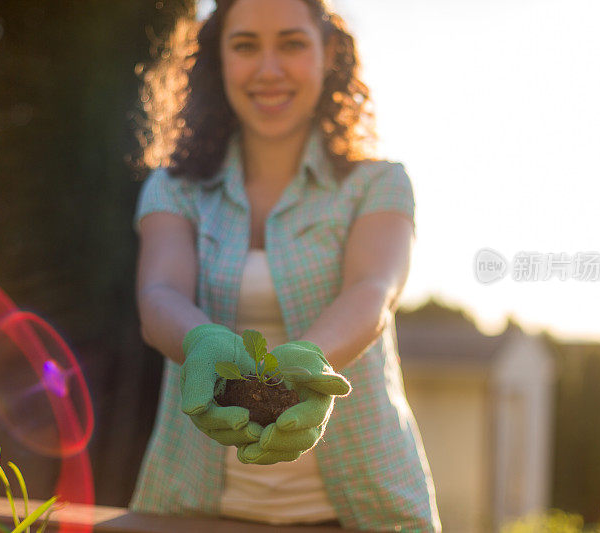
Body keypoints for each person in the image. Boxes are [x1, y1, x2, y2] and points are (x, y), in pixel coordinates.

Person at [130, 0, 442, 531]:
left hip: (366, 507)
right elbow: (159, 294)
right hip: (193, 504)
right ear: (217, 59)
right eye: (246, 45)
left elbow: (373, 289)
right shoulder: (174, 187)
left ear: (328, 54)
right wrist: (202, 343)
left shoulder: (379, 183)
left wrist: (311, 358)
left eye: (292, 44)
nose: (269, 68)